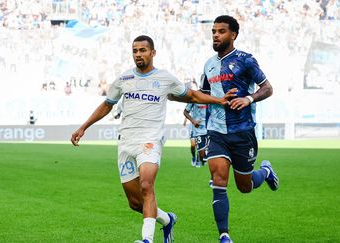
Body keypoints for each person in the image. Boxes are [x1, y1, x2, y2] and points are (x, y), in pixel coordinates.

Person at [70, 35, 237, 243]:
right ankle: (167, 220)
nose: (138, 54)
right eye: (135, 51)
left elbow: (192, 95)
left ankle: (147, 239)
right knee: (134, 202)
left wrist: (218, 100)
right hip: (126, 143)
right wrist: (83, 127)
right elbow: (107, 104)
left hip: (150, 141)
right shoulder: (124, 79)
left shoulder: (165, 79)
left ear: (153, 53)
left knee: (147, 186)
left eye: (142, 50)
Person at [201, 15, 279, 242]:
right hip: (216, 132)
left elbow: (267, 88)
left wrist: (249, 99)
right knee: (218, 180)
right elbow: (205, 96)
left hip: (242, 131)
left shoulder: (245, 60)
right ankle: (224, 235)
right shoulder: (208, 65)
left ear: (233, 35)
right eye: (214, 31)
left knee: (244, 186)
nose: (215, 35)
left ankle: (264, 173)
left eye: (221, 31)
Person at [183, 102, 208, 168]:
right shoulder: (193, 101)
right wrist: (185, 120)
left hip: (203, 127)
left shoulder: (207, 101)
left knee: (199, 144)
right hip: (193, 127)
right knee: (193, 144)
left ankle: (198, 159)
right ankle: (193, 156)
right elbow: (186, 112)